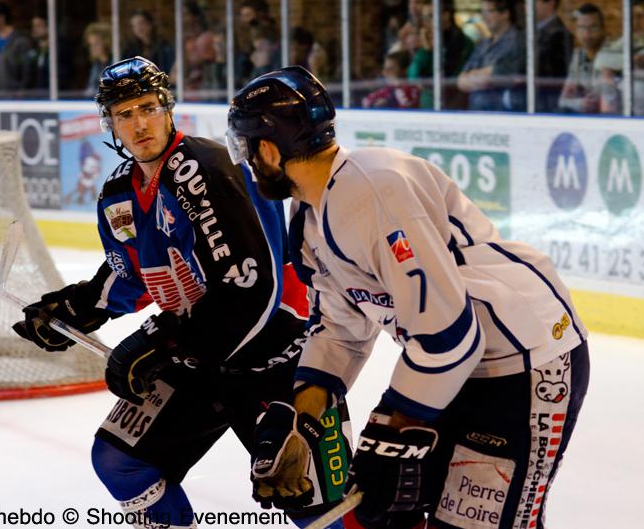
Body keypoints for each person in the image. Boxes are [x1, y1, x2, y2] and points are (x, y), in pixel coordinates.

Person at [227, 66, 590, 529]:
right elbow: (340, 329)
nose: (248, 163)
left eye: (247, 149)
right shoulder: (312, 214)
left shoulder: (375, 190)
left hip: (526, 360)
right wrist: (304, 423)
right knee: (393, 513)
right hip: (454, 368)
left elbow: (449, 336)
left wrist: (394, 431)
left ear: (270, 149)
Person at [12, 57, 349, 529]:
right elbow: (129, 275)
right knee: (120, 460)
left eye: (148, 107)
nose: (139, 123)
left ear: (167, 108)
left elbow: (250, 288)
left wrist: (160, 339)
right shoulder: (117, 194)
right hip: (201, 357)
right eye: (125, 113)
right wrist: (75, 308)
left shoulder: (203, 168)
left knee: (322, 507)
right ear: (109, 123)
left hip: (276, 358)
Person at [458, 0, 525, 111]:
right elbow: (461, 81)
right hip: (478, 114)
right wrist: (484, 76)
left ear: (505, 14)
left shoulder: (518, 41)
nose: (484, 17)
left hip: (503, 115)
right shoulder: (483, 43)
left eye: (489, 11)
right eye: (482, 12)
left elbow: (497, 75)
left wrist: (474, 76)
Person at [558, 3, 609, 113]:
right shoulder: (578, 55)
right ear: (575, 30)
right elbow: (563, 100)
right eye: (582, 27)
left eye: (593, 27)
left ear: (603, 29)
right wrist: (581, 103)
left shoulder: (612, 54)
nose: (587, 34)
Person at [0, 1, 32, 99]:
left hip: (14, 99)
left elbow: (27, 72)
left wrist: (22, 92)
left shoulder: (20, 42)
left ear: (1, 18)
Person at [535, 0, 574, 112]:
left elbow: (549, 77)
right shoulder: (536, 31)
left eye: (534, 1)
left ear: (550, 3)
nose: (526, 4)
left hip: (546, 107)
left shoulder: (558, 35)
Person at [83, 22, 112, 98]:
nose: (92, 48)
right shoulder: (96, 65)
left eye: (96, 43)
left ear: (106, 43)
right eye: (90, 44)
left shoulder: (114, 63)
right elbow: (90, 90)